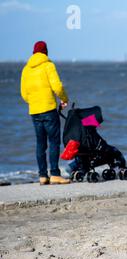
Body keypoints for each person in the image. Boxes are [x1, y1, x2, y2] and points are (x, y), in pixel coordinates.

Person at [20, 41, 70, 185]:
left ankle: (42, 176)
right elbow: (57, 86)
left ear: (33, 53)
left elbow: (24, 94)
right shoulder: (48, 65)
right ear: (46, 52)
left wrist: (34, 101)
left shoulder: (26, 69)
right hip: (48, 109)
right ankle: (54, 174)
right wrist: (64, 99)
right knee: (54, 142)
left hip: (34, 111)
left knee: (40, 143)